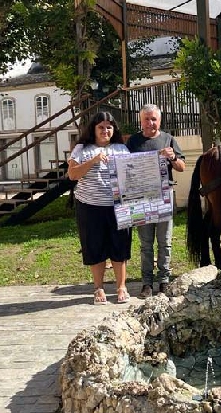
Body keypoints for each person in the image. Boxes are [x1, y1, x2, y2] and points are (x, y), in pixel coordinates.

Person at [68, 112, 132, 305]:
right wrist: (93, 160)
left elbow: (132, 173)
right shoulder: (81, 149)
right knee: (95, 247)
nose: (106, 130)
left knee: (120, 247)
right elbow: (72, 174)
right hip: (89, 207)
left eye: (109, 127)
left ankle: (121, 287)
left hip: (118, 207)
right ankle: (99, 288)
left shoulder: (122, 149)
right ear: (93, 129)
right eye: (101, 127)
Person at [126, 104, 185, 298]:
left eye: (154, 119)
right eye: (146, 119)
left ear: (159, 121)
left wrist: (173, 157)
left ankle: (164, 281)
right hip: (141, 198)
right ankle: (146, 284)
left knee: (165, 242)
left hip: (164, 196)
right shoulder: (133, 142)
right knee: (145, 244)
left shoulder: (168, 139)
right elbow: (123, 169)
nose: (150, 123)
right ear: (140, 120)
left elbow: (181, 167)